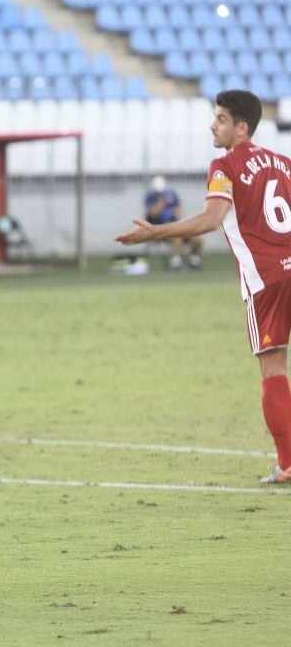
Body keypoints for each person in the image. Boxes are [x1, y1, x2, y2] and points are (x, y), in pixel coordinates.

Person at [115, 90, 291, 485]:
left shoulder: (224, 165)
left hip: (265, 279)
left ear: (241, 127)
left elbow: (212, 219)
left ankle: (287, 464)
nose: (213, 125)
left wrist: (155, 232)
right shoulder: (284, 163)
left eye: (221, 119)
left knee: (273, 368)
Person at [143, 175, 202, 270]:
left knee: (197, 236)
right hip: (160, 227)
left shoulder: (172, 194)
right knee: (177, 235)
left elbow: (179, 211)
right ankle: (176, 261)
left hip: (175, 223)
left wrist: (174, 210)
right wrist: (163, 201)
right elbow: (153, 214)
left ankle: (193, 259)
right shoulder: (150, 196)